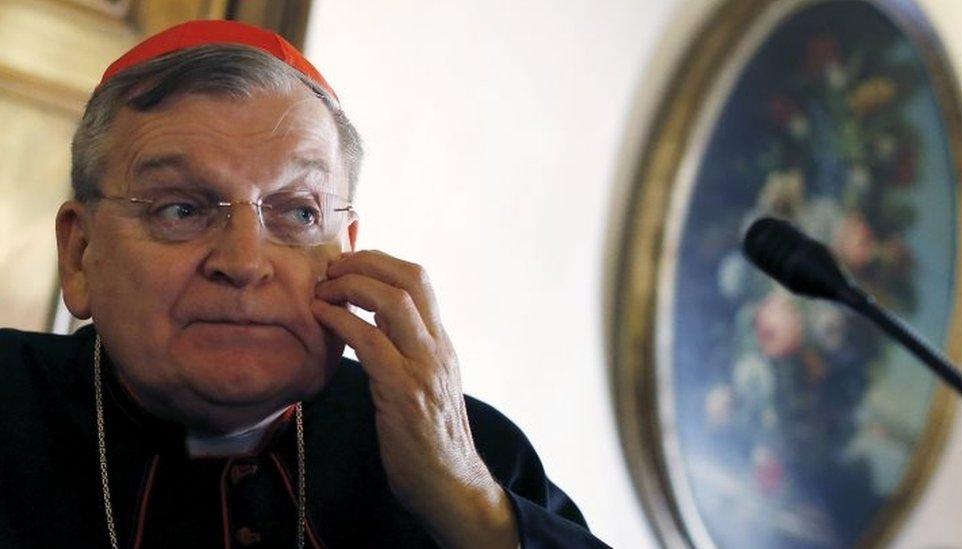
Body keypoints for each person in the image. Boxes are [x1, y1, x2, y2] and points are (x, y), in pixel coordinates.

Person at [0, 19, 610, 549]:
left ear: (347, 255)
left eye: (297, 213)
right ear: (80, 256)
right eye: (180, 210)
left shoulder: (469, 454)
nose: (243, 262)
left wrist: (468, 506)